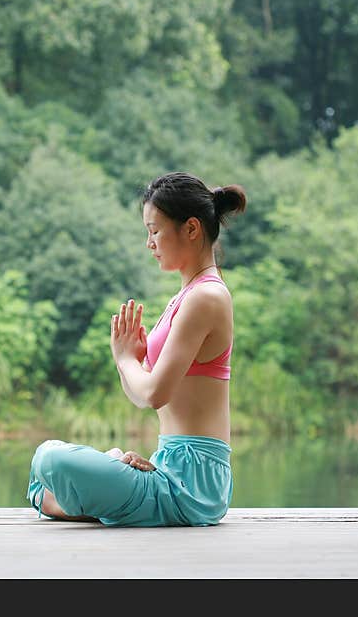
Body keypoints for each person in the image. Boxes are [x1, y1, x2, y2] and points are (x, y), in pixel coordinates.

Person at [26, 171, 247, 526]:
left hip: (191, 487)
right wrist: (126, 362)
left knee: (50, 461)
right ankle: (100, 491)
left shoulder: (207, 297)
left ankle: (97, 493)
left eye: (154, 230)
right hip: (169, 468)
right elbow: (141, 392)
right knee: (41, 481)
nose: (149, 243)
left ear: (191, 229)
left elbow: (155, 394)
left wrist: (126, 359)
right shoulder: (187, 296)